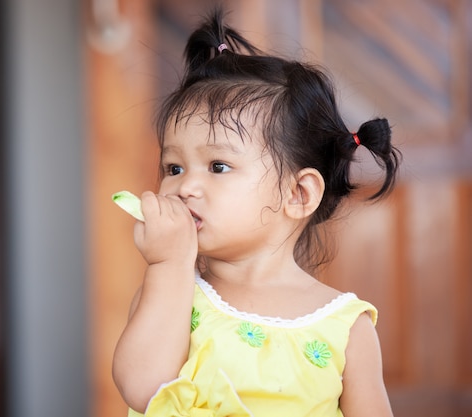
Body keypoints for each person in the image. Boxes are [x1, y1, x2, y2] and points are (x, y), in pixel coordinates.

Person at [112, 8, 400, 417]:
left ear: (298, 193)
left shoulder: (346, 327)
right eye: (173, 168)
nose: (184, 186)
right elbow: (142, 390)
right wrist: (168, 263)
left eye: (218, 167)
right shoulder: (174, 290)